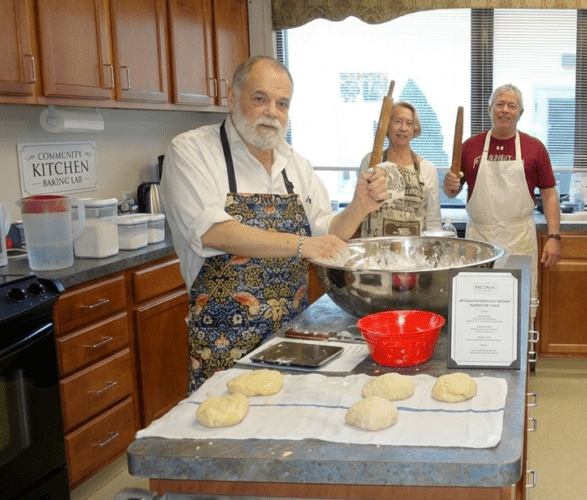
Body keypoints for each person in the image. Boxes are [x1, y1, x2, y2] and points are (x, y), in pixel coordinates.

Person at [162, 56, 389, 392]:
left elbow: (326, 232)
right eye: (260, 99)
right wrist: (301, 245)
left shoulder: (295, 164)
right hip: (223, 341)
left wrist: (358, 208)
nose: (272, 111)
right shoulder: (191, 151)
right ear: (231, 96)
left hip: (290, 338)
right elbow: (214, 231)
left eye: (282, 103)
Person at [442, 84, 561, 317]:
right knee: (479, 307)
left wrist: (554, 236)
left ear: (520, 113)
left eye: (511, 106)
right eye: (500, 104)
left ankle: (523, 352)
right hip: (480, 240)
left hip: (519, 239)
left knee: (519, 305)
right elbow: (453, 191)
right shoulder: (470, 147)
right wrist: (449, 185)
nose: (505, 110)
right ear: (490, 110)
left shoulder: (534, 148)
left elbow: (549, 193)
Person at [357, 101, 442, 237]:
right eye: (397, 121)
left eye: (409, 123)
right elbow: (358, 208)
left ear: (415, 129)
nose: (403, 128)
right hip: (375, 249)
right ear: (387, 126)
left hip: (413, 252)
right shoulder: (371, 161)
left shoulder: (427, 169)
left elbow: (433, 221)